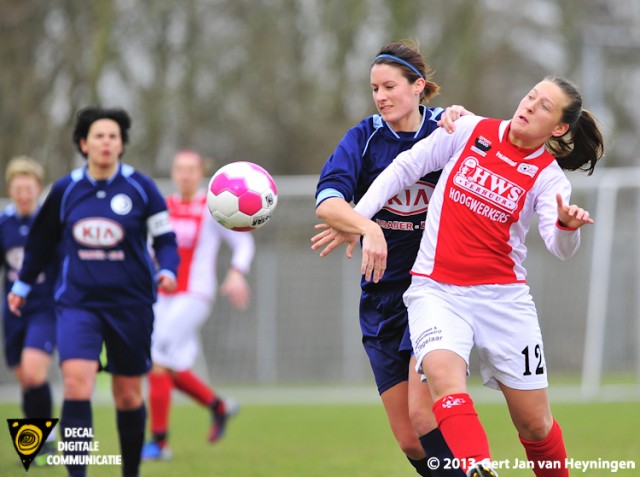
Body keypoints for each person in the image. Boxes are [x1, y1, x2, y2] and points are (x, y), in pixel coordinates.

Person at [346, 75, 604, 477]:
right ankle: (479, 467)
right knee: (444, 383)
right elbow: (405, 167)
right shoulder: (469, 129)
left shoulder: (549, 176)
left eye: (544, 106)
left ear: (559, 128)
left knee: (535, 425)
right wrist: (358, 217)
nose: (530, 105)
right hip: (436, 292)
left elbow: (560, 247)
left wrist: (568, 227)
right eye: (531, 95)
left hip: (504, 301)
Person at [313, 40, 469, 477]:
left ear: (418, 86)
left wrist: (462, 116)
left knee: (425, 417)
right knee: (410, 439)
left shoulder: (448, 132)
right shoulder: (363, 138)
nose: (380, 96)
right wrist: (369, 226)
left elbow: (493, 145)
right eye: (374, 89)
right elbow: (327, 202)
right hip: (382, 299)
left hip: (437, 293)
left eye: (389, 86)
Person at [8, 106, 180, 477]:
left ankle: (130, 472)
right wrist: (23, 282)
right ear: (84, 144)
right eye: (98, 136)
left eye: (113, 136)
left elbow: (166, 240)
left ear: (121, 145)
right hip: (77, 305)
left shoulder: (141, 188)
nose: (106, 142)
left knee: (129, 394)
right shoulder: (66, 190)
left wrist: (167, 269)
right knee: (75, 383)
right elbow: (39, 243)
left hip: (131, 305)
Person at [142, 149, 254, 461]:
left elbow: (243, 241)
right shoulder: (163, 207)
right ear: (174, 173)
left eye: (192, 169)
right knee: (169, 367)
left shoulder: (213, 207)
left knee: (157, 360)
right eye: (180, 168)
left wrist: (236, 273)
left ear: (201, 172)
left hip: (195, 295)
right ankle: (219, 406)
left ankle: (159, 443)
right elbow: (151, 250)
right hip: (162, 297)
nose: (185, 174)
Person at [0, 156, 58, 463]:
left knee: (35, 372)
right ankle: (37, 441)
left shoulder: (50, 224)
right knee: (26, 378)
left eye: (29, 188)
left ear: (38, 189)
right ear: (10, 190)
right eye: (18, 188)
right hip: (13, 311)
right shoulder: (3, 224)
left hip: (44, 308)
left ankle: (43, 442)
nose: (23, 194)